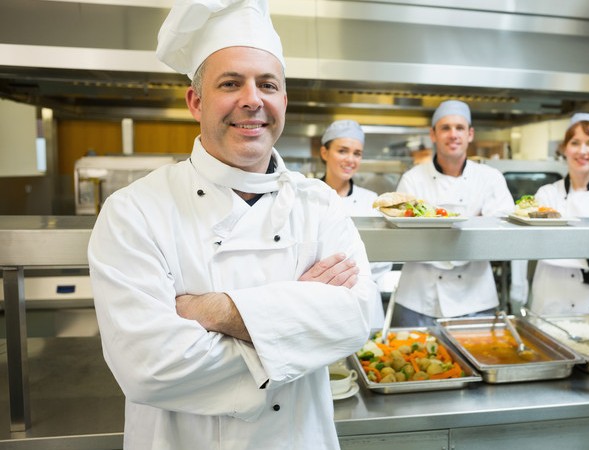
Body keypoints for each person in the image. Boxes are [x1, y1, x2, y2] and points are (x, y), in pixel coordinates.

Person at [87, 1, 375, 448]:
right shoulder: (134, 211)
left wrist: (211, 311)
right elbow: (151, 369)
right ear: (195, 101)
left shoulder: (319, 203)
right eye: (230, 83)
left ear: (283, 100)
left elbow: (358, 318)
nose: (252, 99)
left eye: (267, 84)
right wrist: (302, 326)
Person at [391, 100, 515, 327]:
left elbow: (502, 233)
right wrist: (475, 220)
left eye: (459, 128)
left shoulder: (490, 178)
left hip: (475, 296)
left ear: (470, 134)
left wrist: (433, 230)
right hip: (419, 297)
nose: (453, 134)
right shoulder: (413, 179)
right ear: (433, 134)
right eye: (445, 128)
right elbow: (404, 238)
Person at [512, 113, 589, 317]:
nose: (582, 151)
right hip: (553, 299)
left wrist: (569, 252)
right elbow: (535, 245)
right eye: (575, 142)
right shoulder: (547, 194)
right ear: (564, 148)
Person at [319, 119, 390, 327]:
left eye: (357, 153)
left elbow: (383, 259)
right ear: (325, 153)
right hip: (321, 304)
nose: (350, 159)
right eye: (342, 151)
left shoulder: (372, 201)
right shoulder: (306, 196)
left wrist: (347, 277)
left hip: (363, 303)